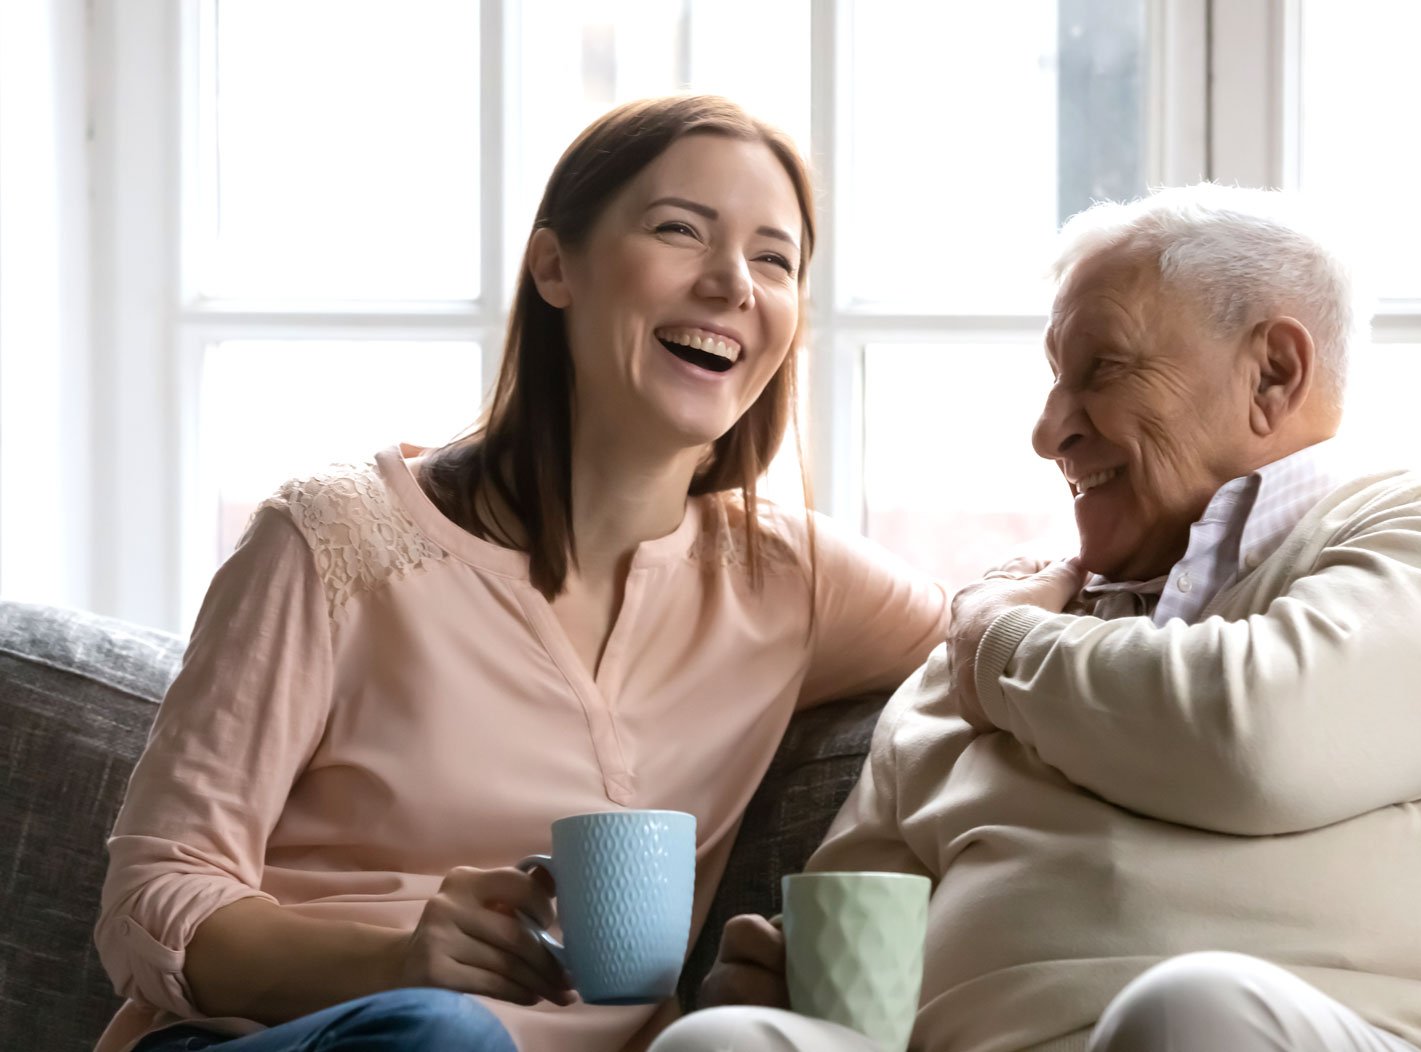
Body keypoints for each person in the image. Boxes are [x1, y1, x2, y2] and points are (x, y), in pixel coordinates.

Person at [94, 94, 948, 1052]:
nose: (732, 284)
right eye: (681, 231)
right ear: (556, 267)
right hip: (291, 1035)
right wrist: (394, 965)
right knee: (439, 1037)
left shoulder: (792, 579)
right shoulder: (333, 539)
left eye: (774, 259)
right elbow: (152, 895)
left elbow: (999, 641)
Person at [658, 184, 1421, 1052]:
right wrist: (782, 982)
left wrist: (1000, 646)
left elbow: (1257, 741)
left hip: (1340, 1033)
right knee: (725, 1040)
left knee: (1192, 1011)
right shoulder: (983, 651)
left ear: (1274, 372)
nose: (1048, 429)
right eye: (1056, 379)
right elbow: (855, 924)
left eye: (1101, 370)